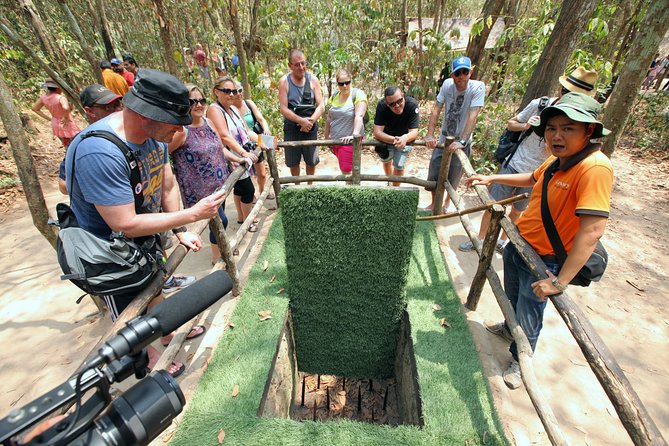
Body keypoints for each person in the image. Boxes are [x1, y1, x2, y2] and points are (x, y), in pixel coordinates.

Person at [65, 69, 227, 377]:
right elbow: (124, 222)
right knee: (131, 306)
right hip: (110, 254)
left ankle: (163, 331)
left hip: (146, 237)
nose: (181, 131)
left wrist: (178, 229)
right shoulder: (99, 151)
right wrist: (192, 215)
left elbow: (167, 186)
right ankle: (151, 358)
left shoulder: (157, 139)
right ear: (146, 116)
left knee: (155, 284)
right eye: (173, 122)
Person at [463, 92, 614, 389]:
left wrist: (559, 281)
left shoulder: (594, 168)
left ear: (589, 131)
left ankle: (521, 358)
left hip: (546, 258)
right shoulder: (559, 161)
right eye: (551, 128)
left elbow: (593, 230)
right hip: (521, 244)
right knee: (514, 295)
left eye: (568, 128)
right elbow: (532, 178)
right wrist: (493, 179)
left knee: (531, 309)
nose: (556, 135)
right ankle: (510, 326)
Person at [459, 66, 598, 253]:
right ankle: (480, 240)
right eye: (566, 91)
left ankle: (502, 242)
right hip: (516, 163)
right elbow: (511, 123)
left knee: (518, 210)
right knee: (493, 205)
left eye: (567, 128)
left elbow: (592, 229)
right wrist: (527, 126)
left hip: (539, 173)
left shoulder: (587, 155)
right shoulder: (540, 105)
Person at [168, 84, 251, 264]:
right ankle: (217, 257)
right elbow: (163, 157)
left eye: (201, 100)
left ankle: (222, 250)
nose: (198, 105)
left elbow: (220, 149)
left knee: (220, 221)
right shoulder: (180, 132)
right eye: (193, 101)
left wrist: (239, 157)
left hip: (219, 184)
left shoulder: (209, 122)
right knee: (220, 220)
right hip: (199, 190)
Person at [425, 55, 485, 210]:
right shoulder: (447, 85)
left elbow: (473, 115)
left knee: (454, 175)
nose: (461, 76)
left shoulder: (477, 87)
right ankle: (434, 203)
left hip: (461, 140)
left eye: (465, 72)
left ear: (470, 72)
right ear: (452, 75)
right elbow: (436, 109)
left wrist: (463, 141)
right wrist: (430, 134)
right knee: (435, 172)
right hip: (445, 139)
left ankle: (446, 203)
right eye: (458, 73)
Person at [208, 77, 260, 237]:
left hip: (241, 157)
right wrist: (244, 154)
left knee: (240, 189)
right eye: (227, 91)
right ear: (216, 92)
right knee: (248, 190)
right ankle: (247, 220)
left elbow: (247, 132)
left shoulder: (234, 110)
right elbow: (224, 136)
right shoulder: (214, 109)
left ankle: (242, 218)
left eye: (234, 91)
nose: (232, 94)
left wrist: (268, 141)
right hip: (228, 160)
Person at [58, 84, 123, 194]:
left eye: (118, 104)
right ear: (90, 111)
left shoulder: (130, 134)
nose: (117, 110)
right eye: (108, 107)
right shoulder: (83, 143)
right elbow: (63, 186)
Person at [278, 48, 325, 183]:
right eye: (297, 64)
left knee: (311, 160)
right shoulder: (284, 82)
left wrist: (310, 122)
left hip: (310, 125)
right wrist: (300, 121)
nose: (301, 67)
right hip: (292, 126)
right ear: (290, 65)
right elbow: (283, 108)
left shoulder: (313, 80)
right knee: (293, 161)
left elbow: (321, 105)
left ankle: (309, 186)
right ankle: (297, 186)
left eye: (303, 63)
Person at [231, 81, 274, 199]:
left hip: (256, 141)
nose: (238, 94)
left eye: (240, 90)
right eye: (234, 92)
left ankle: (262, 191)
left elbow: (260, 118)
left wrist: (266, 129)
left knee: (262, 173)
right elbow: (244, 132)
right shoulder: (230, 109)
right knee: (243, 176)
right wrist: (266, 141)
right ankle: (250, 198)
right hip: (242, 144)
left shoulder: (248, 103)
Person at [324, 68, 368, 175]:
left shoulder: (358, 95)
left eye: (347, 83)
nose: (344, 86)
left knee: (346, 172)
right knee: (347, 171)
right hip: (335, 142)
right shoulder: (334, 96)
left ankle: (351, 191)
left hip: (349, 141)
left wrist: (354, 136)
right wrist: (326, 137)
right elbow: (329, 117)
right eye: (341, 83)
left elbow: (359, 115)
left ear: (351, 81)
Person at [372, 86, 419, 186]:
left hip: (404, 138)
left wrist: (404, 138)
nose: (397, 105)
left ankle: (395, 190)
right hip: (386, 138)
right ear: (386, 103)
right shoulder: (381, 106)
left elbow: (414, 132)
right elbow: (377, 132)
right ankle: (390, 182)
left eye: (399, 101)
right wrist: (396, 140)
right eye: (392, 104)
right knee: (386, 160)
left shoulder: (412, 105)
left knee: (399, 166)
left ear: (403, 96)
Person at [31, 78, 80, 149]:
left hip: (55, 122)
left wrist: (50, 118)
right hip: (66, 123)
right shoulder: (60, 98)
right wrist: (65, 117)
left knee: (67, 145)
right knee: (76, 143)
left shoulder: (44, 97)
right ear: (58, 88)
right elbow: (66, 108)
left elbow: (34, 108)